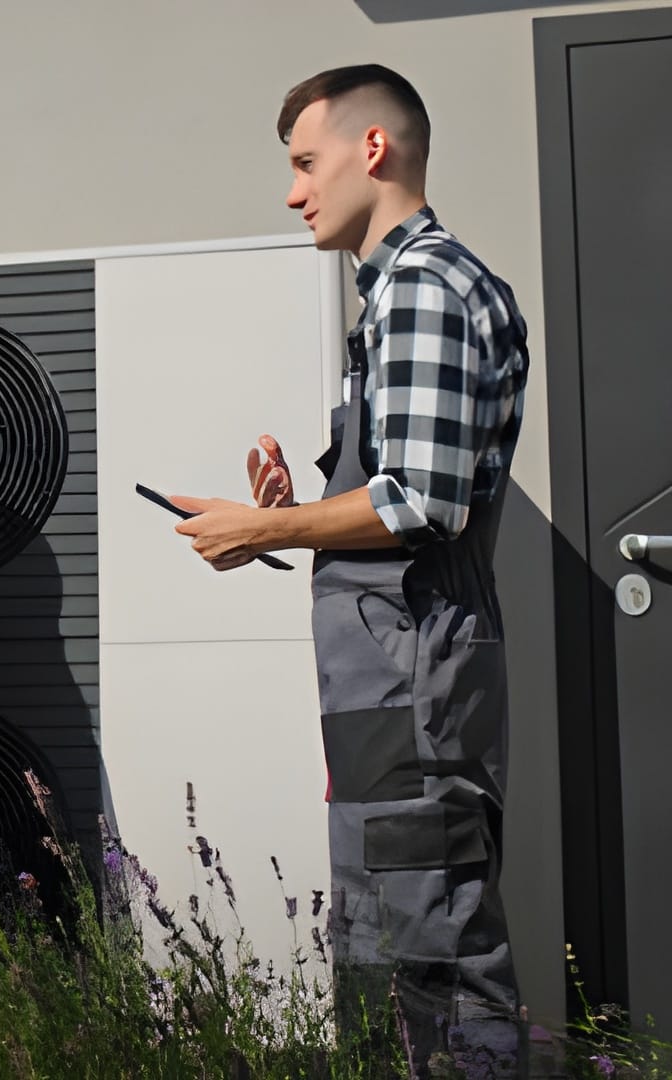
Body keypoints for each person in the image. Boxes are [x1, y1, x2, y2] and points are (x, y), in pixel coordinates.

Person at [168, 66, 530, 1076]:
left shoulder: (420, 288)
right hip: (393, 681)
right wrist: (294, 511)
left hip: (412, 679)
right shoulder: (398, 294)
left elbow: (419, 502)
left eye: (302, 161)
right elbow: (401, 489)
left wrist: (264, 532)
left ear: (370, 149)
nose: (291, 191)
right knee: (388, 955)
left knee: (436, 962)